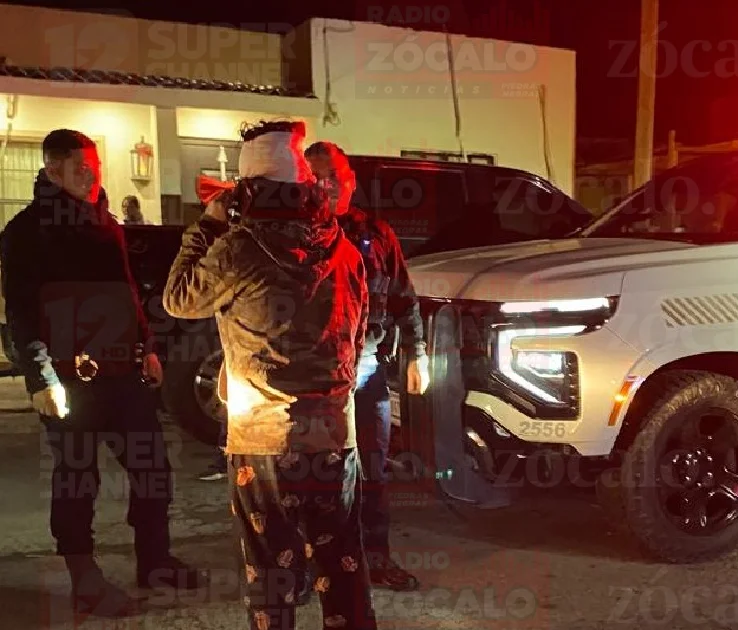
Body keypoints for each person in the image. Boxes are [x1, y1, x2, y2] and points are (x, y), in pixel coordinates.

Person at [162, 120, 378, 630]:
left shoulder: (238, 247)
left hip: (264, 439)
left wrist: (208, 225)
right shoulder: (345, 249)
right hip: (333, 434)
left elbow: (178, 298)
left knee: (272, 567)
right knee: (342, 561)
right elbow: (360, 328)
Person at [0, 129, 204, 618]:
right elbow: (23, 311)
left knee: (153, 470)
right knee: (77, 479)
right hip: (70, 379)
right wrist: (40, 377)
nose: (91, 174)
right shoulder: (27, 232)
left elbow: (127, 292)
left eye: (93, 165)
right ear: (52, 170)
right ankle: (84, 579)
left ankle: (154, 559)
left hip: (123, 374)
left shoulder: (107, 223)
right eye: (79, 167)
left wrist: (148, 349)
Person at [304, 141, 427, 591]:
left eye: (332, 176)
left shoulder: (375, 234)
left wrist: (418, 353)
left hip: (369, 373)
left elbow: (403, 298)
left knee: (373, 471)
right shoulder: (295, 235)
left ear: (350, 182)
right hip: (313, 384)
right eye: (314, 177)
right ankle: (308, 565)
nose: (325, 186)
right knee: (313, 474)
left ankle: (375, 556)